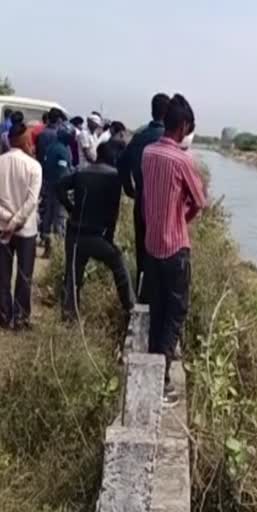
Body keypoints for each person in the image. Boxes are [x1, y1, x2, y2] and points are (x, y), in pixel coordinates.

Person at [142, 94, 206, 403]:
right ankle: (162, 379)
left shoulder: (148, 152)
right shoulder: (182, 160)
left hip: (152, 246)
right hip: (175, 248)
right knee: (176, 312)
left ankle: (153, 370)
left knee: (157, 310)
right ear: (182, 126)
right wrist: (181, 219)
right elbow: (200, 202)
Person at [57, 141, 135, 320]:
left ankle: (69, 317)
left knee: (72, 277)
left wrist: (70, 208)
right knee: (118, 264)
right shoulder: (115, 177)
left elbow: (59, 187)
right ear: (114, 157)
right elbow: (113, 212)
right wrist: (109, 237)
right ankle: (130, 307)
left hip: (75, 233)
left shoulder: (81, 172)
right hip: (96, 236)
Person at [117, 93, 170, 302]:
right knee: (163, 253)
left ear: (152, 111)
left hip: (141, 202)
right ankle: (158, 297)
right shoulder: (169, 140)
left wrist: (130, 189)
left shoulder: (139, 137)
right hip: (163, 207)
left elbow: (121, 164)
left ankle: (142, 294)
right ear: (168, 113)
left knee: (142, 250)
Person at [0, 123, 43, 329]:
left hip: (2, 227)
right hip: (26, 229)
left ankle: (3, 314)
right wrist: (16, 221)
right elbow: (32, 201)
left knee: (2, 274)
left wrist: (7, 220)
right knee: (25, 274)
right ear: (25, 140)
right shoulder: (34, 166)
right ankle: (20, 318)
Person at [39, 127, 74, 256]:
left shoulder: (51, 147)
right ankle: (57, 250)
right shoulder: (63, 151)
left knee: (48, 215)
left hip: (48, 186)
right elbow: (62, 171)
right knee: (59, 217)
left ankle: (47, 247)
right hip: (59, 189)